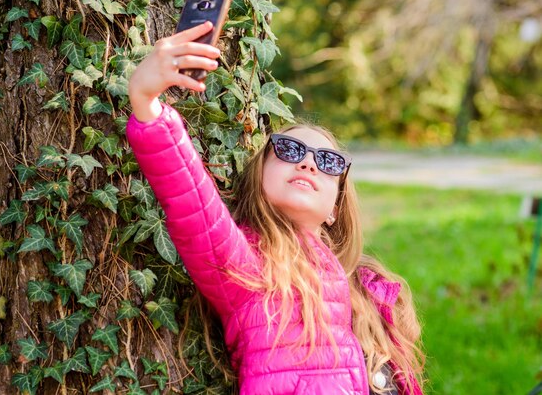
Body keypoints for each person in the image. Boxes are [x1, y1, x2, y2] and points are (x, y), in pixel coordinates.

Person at [125, 21, 425, 395]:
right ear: (258, 183)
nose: (308, 164)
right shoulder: (247, 266)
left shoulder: (367, 293)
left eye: (328, 161)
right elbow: (191, 199)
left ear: (335, 208)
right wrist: (146, 103)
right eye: (289, 150)